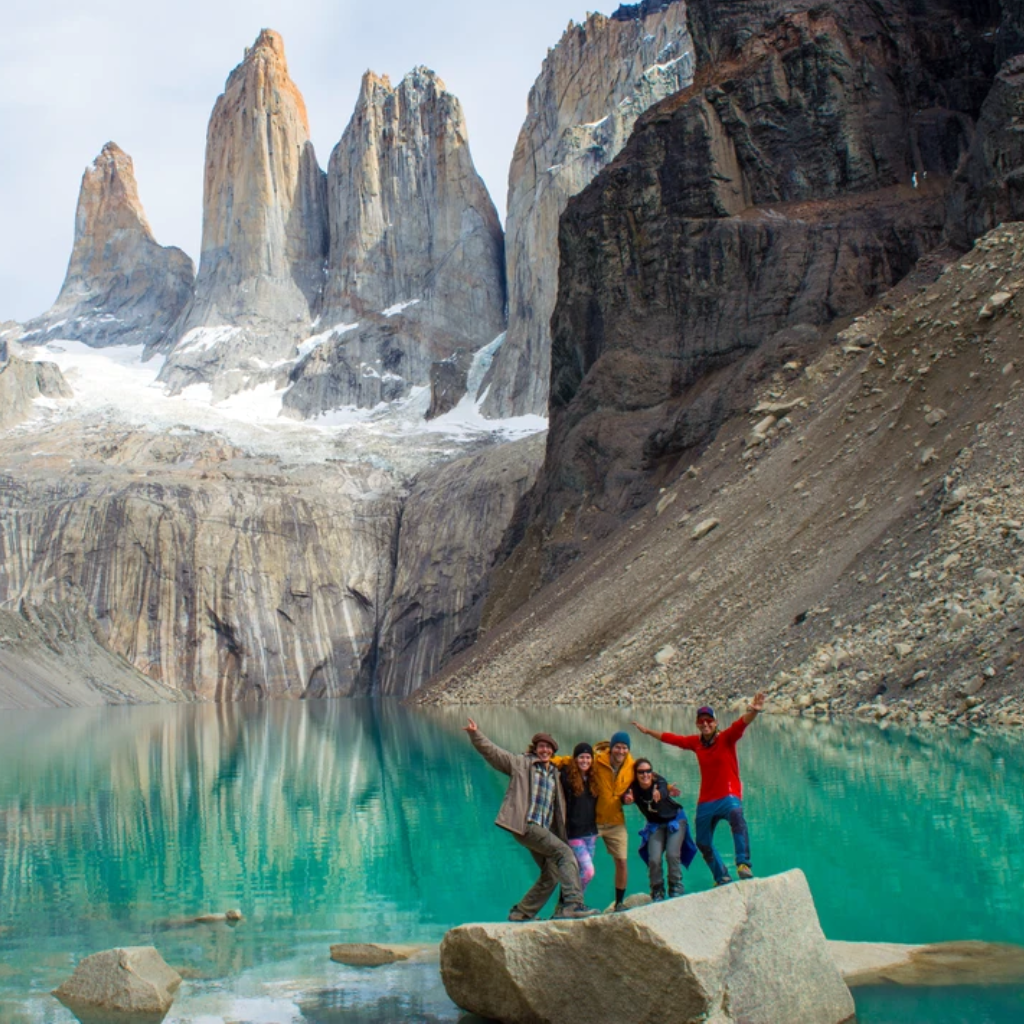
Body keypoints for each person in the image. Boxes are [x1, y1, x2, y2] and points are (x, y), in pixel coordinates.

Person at [463, 718, 600, 920]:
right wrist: (476, 735)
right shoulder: (521, 764)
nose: (544, 750)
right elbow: (494, 754)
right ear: (535, 748)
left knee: (552, 872)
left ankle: (522, 912)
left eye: (548, 747)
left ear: (553, 751)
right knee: (565, 853)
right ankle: (572, 904)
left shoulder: (554, 773)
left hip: (541, 829)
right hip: (526, 824)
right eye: (541, 746)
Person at [632, 693, 766, 886]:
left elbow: (742, 723)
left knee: (737, 817)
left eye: (709, 721)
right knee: (703, 842)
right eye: (701, 721)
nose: (705, 724)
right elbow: (673, 739)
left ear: (715, 722)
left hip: (728, 796)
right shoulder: (696, 743)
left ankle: (743, 864)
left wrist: (754, 711)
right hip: (706, 800)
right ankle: (721, 877)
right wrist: (647, 732)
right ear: (697, 724)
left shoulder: (726, 738)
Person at [622, 758, 698, 901]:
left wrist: (661, 793)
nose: (645, 775)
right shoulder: (634, 788)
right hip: (655, 825)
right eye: (641, 772)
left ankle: (675, 885)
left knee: (672, 854)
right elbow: (624, 797)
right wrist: (626, 799)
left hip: (675, 820)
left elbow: (663, 789)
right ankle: (657, 889)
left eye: (648, 771)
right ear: (636, 774)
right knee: (654, 859)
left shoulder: (659, 782)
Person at [558, 742, 600, 897]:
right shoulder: (566, 777)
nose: (585, 761)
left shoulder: (593, 779)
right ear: (575, 759)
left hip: (591, 833)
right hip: (574, 834)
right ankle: (574, 900)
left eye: (588, 757)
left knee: (579, 871)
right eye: (581, 757)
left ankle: (570, 902)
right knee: (588, 871)